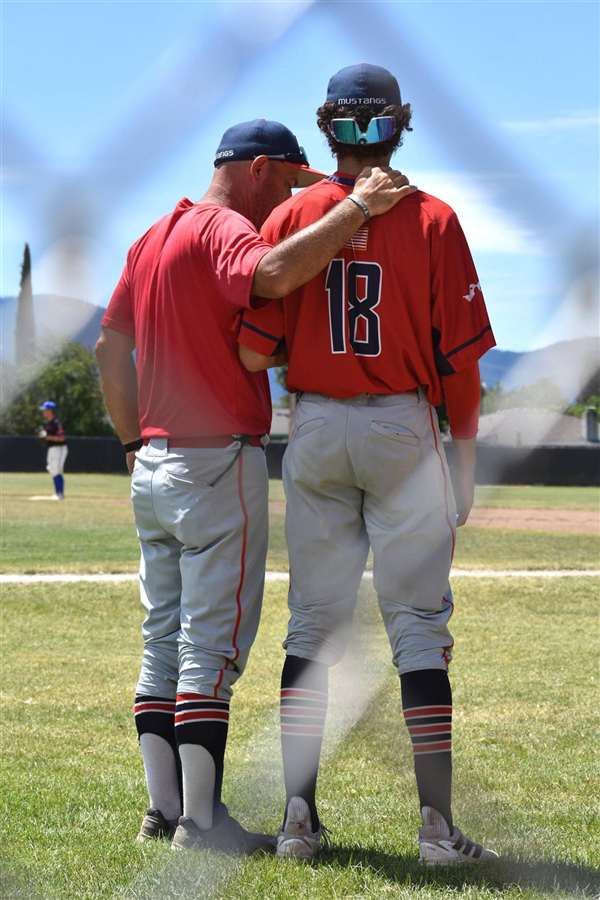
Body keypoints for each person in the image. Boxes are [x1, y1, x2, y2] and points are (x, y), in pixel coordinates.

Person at [95, 117, 414, 854]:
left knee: (161, 642)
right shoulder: (224, 228)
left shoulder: (153, 234)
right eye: (292, 181)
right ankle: (202, 824)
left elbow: (113, 346)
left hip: (155, 461)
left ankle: (162, 810)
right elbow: (270, 275)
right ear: (262, 168)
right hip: (217, 460)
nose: (288, 201)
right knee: (209, 646)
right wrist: (356, 209)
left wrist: (128, 442)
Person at [238, 66, 499, 864]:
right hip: (399, 424)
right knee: (418, 628)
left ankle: (295, 821)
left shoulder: (294, 212)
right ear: (400, 124)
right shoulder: (435, 218)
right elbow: (459, 365)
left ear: (328, 128)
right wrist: (461, 458)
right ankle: (434, 830)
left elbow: (256, 343)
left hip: (313, 422)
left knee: (313, 625)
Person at [38, 400, 67, 500]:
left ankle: (59, 494)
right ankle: (58, 493)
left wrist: (47, 437)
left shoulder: (56, 422)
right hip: (52, 448)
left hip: (59, 448)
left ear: (50, 410)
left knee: (56, 470)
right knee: (53, 470)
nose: (43, 412)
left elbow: (62, 438)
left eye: (44, 410)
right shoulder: (48, 423)